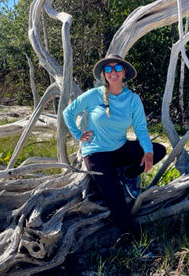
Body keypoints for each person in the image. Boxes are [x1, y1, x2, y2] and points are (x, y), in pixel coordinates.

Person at [62, 54, 168, 239]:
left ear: (124, 72)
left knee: (159, 150)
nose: (113, 72)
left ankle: (128, 175)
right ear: (104, 73)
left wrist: (148, 152)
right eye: (108, 69)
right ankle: (133, 238)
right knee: (115, 198)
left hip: (120, 148)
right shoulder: (94, 95)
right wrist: (78, 134)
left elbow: (141, 128)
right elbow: (68, 112)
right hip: (96, 153)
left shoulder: (132, 98)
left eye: (117, 68)